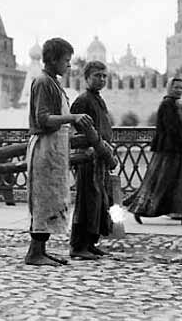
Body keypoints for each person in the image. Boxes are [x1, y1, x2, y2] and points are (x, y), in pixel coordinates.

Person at [25, 37, 94, 266]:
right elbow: (43, 119)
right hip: (45, 148)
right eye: (66, 60)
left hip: (54, 149)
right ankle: (35, 253)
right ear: (53, 60)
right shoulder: (43, 82)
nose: (68, 65)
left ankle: (41, 250)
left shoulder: (53, 83)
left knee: (51, 200)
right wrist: (73, 118)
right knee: (43, 200)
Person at [124, 78, 182, 225]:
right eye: (176, 87)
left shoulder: (176, 105)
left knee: (179, 183)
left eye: (181, 88)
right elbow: (172, 129)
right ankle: (140, 209)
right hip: (170, 152)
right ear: (169, 88)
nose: (179, 90)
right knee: (163, 182)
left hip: (177, 150)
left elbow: (180, 129)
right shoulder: (167, 105)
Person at [69, 61, 114, 260]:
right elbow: (75, 130)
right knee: (86, 202)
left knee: (99, 202)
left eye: (104, 76)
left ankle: (91, 243)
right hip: (87, 158)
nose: (101, 79)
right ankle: (78, 245)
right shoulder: (82, 101)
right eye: (97, 75)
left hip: (100, 158)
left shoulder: (98, 100)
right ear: (86, 78)